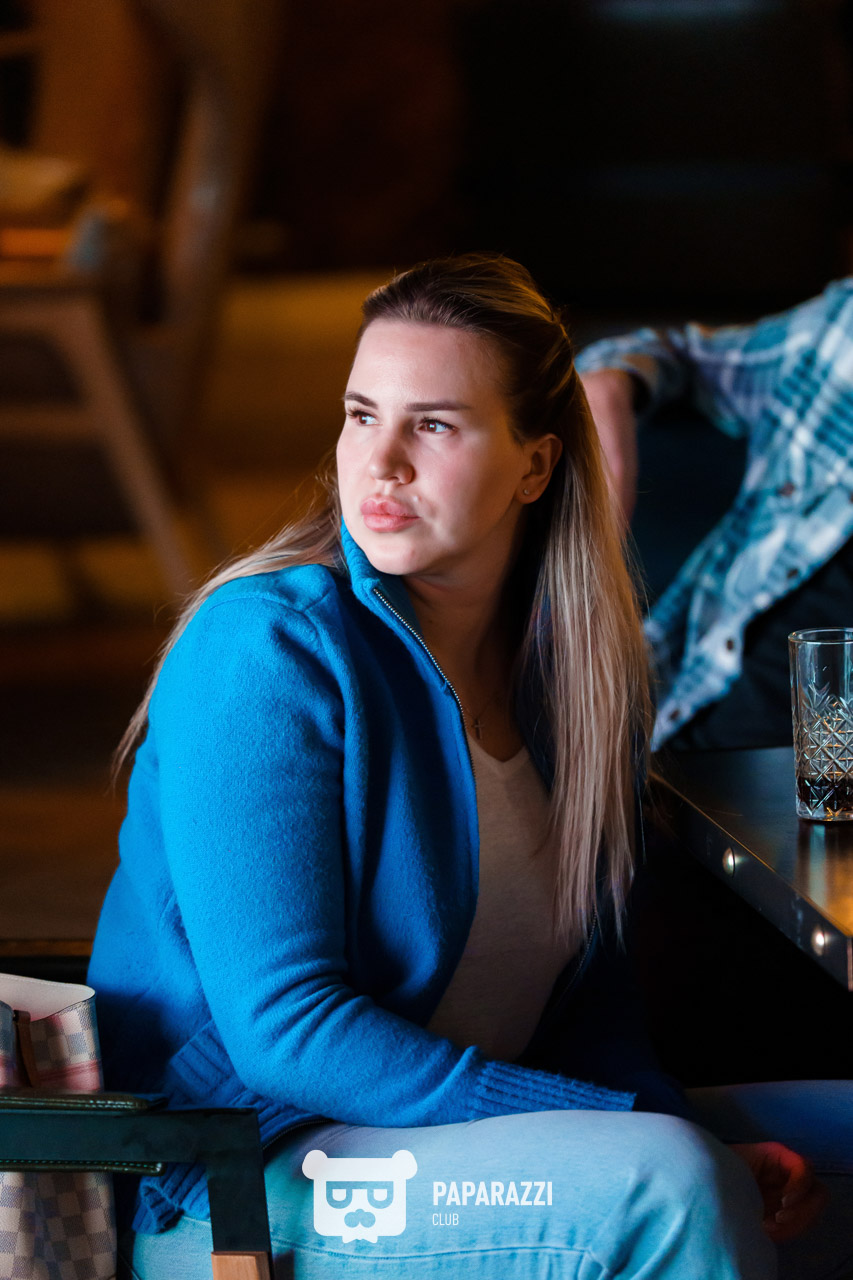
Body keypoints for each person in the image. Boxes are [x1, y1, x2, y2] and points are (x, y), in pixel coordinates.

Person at [88, 255, 850, 1280]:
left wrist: (652, 1114)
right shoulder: (267, 646)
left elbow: (592, 1008)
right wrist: (635, 1131)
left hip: (462, 1145)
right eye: (362, 415)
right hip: (239, 1179)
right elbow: (287, 1032)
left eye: (434, 425)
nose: (381, 461)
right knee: (667, 1180)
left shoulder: (574, 687)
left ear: (535, 466)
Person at [576, 278, 853, 752]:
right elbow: (675, 352)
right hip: (685, 726)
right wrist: (606, 388)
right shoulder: (839, 334)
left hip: (819, 775)